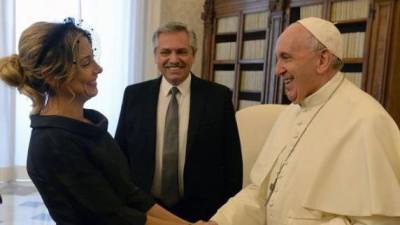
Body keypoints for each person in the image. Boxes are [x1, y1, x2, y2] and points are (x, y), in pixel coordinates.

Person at [199, 17, 400, 225]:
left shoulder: (367, 120)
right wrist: (219, 223)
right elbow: (260, 194)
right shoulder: (292, 113)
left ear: (322, 60)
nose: (277, 70)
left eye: (286, 58)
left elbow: (378, 222)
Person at [0, 18, 192, 225]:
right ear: (52, 75)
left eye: (93, 58)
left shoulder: (88, 124)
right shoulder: (52, 143)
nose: (98, 68)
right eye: (85, 62)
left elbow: (130, 194)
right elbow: (115, 218)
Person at [115, 22, 242, 222]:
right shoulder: (134, 95)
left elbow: (232, 164)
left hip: (202, 214)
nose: (173, 59)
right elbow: (120, 156)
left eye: (181, 52)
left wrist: (224, 217)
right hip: (145, 212)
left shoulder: (218, 97)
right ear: (156, 55)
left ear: (193, 54)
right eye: (165, 52)